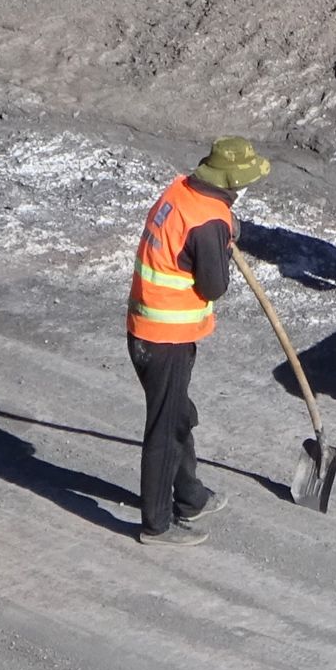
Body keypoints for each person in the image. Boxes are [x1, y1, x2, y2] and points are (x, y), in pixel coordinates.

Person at [125, 136, 269, 546]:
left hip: (145, 328)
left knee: (178, 414)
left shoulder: (181, 189)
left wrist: (226, 229)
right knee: (165, 429)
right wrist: (222, 239)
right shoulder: (208, 222)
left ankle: (190, 497)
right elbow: (213, 285)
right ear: (233, 182)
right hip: (166, 337)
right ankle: (156, 524)